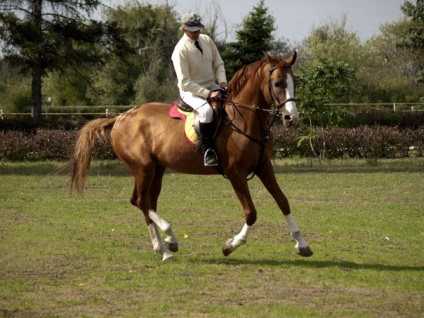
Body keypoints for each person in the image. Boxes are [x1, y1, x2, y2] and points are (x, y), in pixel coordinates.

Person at [171, 12, 227, 167]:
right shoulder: (180, 51)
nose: (196, 32)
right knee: (206, 111)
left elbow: (219, 64)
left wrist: (222, 82)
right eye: (193, 30)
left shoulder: (207, 40)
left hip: (212, 85)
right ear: (183, 29)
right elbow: (184, 82)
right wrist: (208, 94)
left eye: (198, 29)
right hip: (190, 92)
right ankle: (208, 150)